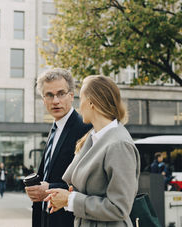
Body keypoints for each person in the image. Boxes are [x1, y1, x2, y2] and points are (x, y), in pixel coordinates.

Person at [44, 75, 140, 227]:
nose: (79, 105)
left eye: (81, 98)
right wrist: (66, 198)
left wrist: (70, 200)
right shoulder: (93, 138)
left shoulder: (119, 144)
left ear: (91, 102)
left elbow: (120, 208)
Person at [25, 68, 92, 227]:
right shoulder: (55, 129)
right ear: (43, 99)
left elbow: (90, 184)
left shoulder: (85, 129)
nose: (55, 100)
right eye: (49, 95)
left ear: (71, 95)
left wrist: (50, 188)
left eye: (61, 93)